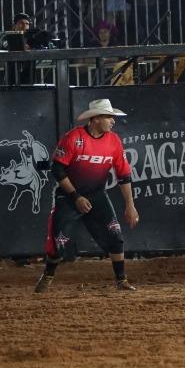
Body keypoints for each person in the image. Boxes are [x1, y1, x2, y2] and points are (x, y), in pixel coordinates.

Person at [35, 99, 141, 293]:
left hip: (96, 194)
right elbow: (58, 170)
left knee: (115, 236)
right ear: (95, 119)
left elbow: (124, 175)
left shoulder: (114, 141)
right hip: (68, 197)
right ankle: (48, 274)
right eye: (109, 117)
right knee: (60, 244)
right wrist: (76, 197)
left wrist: (130, 205)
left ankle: (121, 280)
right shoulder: (74, 138)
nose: (113, 121)